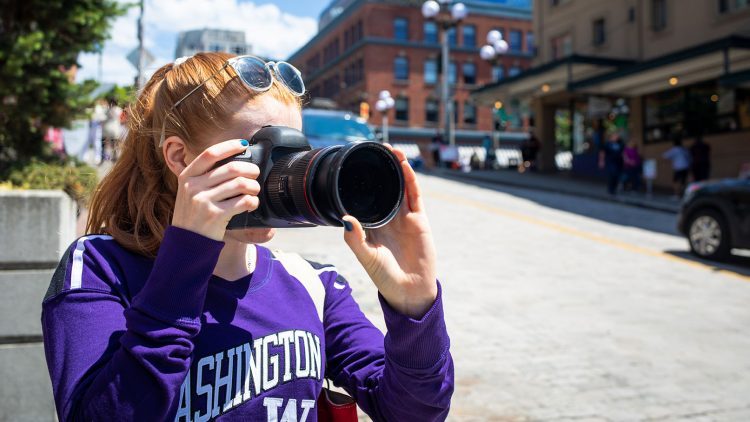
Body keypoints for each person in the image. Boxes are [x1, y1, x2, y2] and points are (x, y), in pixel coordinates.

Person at [41, 53, 453, 421]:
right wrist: (187, 254)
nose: (281, 173)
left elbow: (414, 411)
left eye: (293, 154)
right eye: (259, 151)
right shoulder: (101, 269)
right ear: (180, 157)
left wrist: (415, 303)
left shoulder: (315, 287)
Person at [101, 97, 123, 161]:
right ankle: (115, 157)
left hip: (107, 128)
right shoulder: (119, 109)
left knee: (105, 145)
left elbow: (103, 118)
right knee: (115, 144)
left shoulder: (107, 110)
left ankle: (105, 158)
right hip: (115, 129)